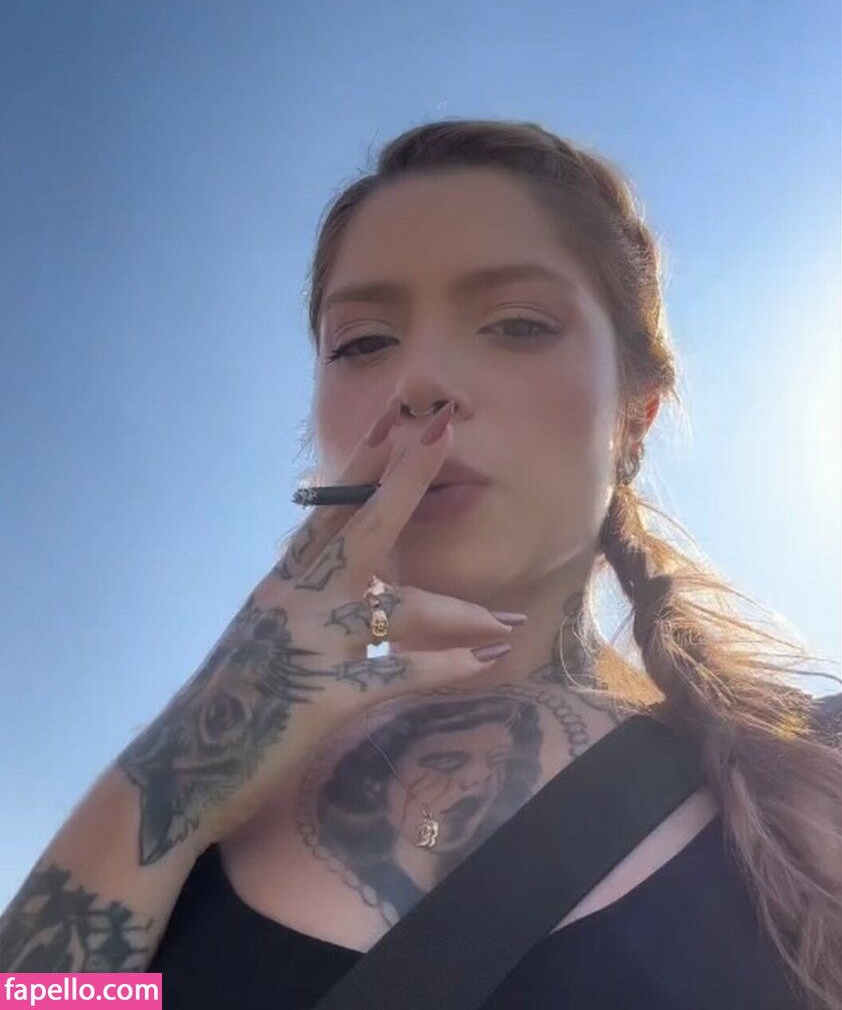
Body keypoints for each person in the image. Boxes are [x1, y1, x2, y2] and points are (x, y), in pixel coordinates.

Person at [1, 119, 839, 1009]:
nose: (422, 382)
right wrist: (192, 744)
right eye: (363, 342)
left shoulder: (804, 775)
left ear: (637, 411)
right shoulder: (196, 818)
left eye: (517, 324)